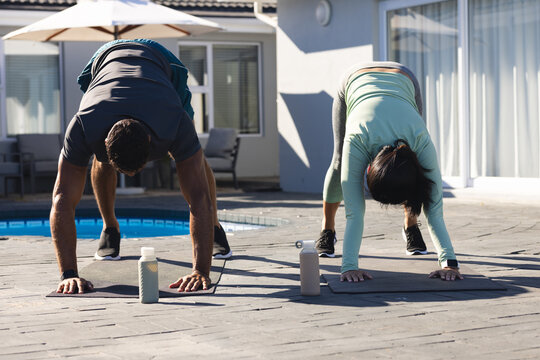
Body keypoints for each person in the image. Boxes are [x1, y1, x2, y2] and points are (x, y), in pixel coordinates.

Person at [52, 39, 231, 295]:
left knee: (194, 161)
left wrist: (201, 271)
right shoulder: (84, 124)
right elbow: (61, 199)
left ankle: (213, 226)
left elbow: (198, 196)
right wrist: (68, 274)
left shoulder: (175, 120)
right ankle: (110, 228)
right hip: (105, 59)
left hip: (160, 60)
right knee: (101, 162)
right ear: (104, 140)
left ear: (150, 140)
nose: (133, 176)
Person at [317, 61, 463, 282]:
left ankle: (410, 225)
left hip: (404, 79)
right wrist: (348, 266)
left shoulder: (420, 142)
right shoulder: (357, 139)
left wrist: (450, 264)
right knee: (339, 162)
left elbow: (434, 210)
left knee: (410, 178)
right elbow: (354, 213)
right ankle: (327, 229)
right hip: (354, 80)